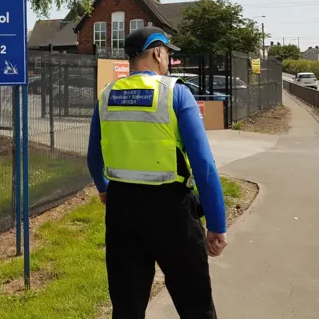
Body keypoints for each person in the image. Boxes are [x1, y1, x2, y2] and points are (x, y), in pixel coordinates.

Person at [87, 26, 228, 319]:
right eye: (167, 55)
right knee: (196, 306)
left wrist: (104, 189)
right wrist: (216, 224)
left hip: (122, 210)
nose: (168, 62)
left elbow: (93, 158)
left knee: (127, 307)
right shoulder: (176, 93)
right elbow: (203, 165)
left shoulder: (107, 95)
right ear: (157, 53)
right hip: (172, 212)